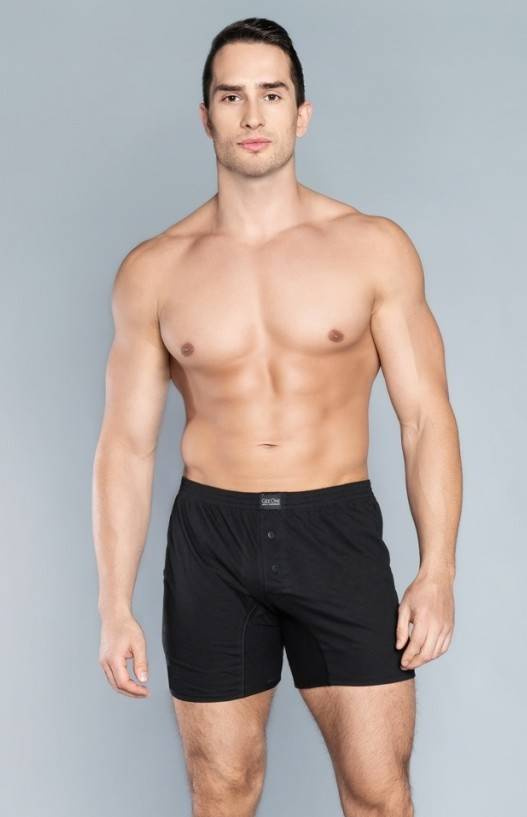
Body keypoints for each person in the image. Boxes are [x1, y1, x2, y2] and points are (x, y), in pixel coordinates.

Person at [92, 16, 461, 817]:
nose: (252, 114)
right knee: (221, 792)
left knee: (378, 792)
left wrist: (437, 570)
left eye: (271, 94)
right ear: (206, 117)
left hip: (335, 530)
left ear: (302, 112)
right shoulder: (155, 270)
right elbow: (125, 446)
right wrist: (113, 603)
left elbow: (424, 416)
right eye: (231, 97)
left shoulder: (371, 248)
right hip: (211, 540)